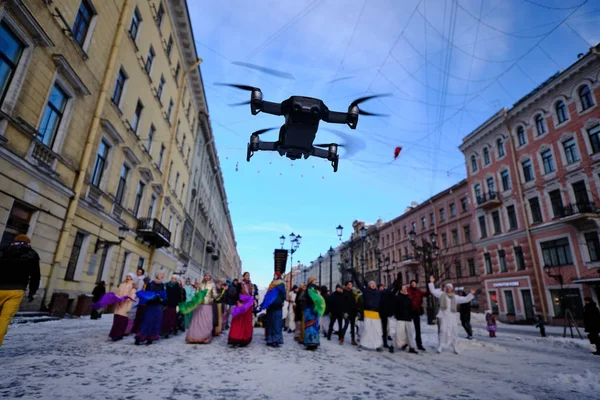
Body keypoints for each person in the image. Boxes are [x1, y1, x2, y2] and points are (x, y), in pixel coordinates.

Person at [0, 234, 40, 347]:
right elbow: (35, 276)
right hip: (17, 290)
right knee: (5, 318)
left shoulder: (3, 250)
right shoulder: (32, 254)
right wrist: (32, 292)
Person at [428, 275, 475, 354]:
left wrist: (470, 294)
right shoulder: (441, 294)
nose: (447, 288)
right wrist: (431, 282)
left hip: (452, 317)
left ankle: (454, 347)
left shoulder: (455, 297)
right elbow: (433, 291)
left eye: (449, 287)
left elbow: (465, 299)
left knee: (454, 332)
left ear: (451, 289)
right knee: (443, 331)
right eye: (446, 287)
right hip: (444, 316)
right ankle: (440, 346)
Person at [351, 270, 383, 351]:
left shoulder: (378, 292)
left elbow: (387, 292)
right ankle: (363, 343)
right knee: (367, 329)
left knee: (377, 330)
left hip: (376, 313)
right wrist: (355, 277)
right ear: (369, 285)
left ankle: (378, 345)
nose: (373, 285)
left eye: (374, 284)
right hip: (368, 312)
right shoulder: (366, 291)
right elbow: (359, 285)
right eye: (371, 284)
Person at [186, 273, 220, 344]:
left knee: (207, 321)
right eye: (206, 276)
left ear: (210, 277)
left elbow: (214, 295)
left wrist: (221, 293)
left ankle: (205, 337)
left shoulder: (212, 285)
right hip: (200, 305)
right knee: (197, 321)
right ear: (204, 276)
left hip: (208, 305)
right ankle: (195, 337)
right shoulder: (200, 284)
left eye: (208, 276)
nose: (207, 277)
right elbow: (196, 293)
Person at [135, 272, 166, 345]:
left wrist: (162, 299)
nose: (161, 275)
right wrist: (151, 296)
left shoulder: (163, 285)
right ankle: (139, 337)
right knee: (147, 321)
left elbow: (164, 295)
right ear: (157, 275)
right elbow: (146, 293)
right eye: (160, 274)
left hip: (158, 305)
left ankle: (150, 338)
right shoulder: (150, 283)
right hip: (150, 304)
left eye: (162, 274)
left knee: (155, 322)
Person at [389, 284, 418, 354]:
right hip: (400, 318)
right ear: (401, 290)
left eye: (405, 288)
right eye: (403, 288)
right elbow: (394, 307)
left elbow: (411, 308)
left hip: (408, 318)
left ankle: (411, 347)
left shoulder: (409, 299)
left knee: (410, 333)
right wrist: (396, 314)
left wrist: (411, 315)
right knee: (398, 333)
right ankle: (392, 345)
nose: (405, 289)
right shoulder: (397, 298)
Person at [228, 272, 254, 346]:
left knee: (246, 322)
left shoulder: (251, 285)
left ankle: (244, 339)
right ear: (243, 276)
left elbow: (252, 294)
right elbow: (236, 294)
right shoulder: (240, 284)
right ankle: (236, 338)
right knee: (238, 322)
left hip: (248, 306)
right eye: (246, 275)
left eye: (249, 275)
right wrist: (238, 301)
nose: (248, 277)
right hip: (241, 304)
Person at [261, 272, 286, 347]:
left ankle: (276, 340)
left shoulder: (281, 284)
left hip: (277, 305)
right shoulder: (271, 284)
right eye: (274, 275)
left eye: (275, 275)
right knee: (271, 322)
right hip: (271, 306)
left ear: (278, 276)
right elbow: (268, 293)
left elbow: (283, 294)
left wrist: (281, 301)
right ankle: (270, 339)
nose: (274, 276)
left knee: (277, 323)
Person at [304, 276, 325, 350]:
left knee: (315, 326)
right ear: (311, 281)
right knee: (310, 326)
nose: (316, 281)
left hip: (314, 310)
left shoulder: (315, 289)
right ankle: (310, 343)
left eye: (316, 279)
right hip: (310, 309)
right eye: (314, 280)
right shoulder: (310, 289)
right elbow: (313, 298)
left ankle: (314, 342)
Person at [407, 279, 428, 351]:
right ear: (410, 284)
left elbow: (426, 294)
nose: (413, 284)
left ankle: (419, 344)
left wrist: (430, 285)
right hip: (409, 311)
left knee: (417, 329)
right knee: (407, 328)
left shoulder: (418, 291)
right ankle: (405, 343)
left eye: (414, 283)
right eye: (412, 283)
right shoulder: (407, 290)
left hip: (416, 311)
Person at [340, 280, 358, 346]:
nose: (351, 285)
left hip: (353, 312)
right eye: (349, 284)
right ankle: (341, 338)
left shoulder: (352, 292)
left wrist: (356, 311)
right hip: (347, 312)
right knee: (346, 325)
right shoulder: (344, 293)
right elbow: (342, 303)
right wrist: (344, 312)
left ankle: (353, 340)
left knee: (353, 326)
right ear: (346, 285)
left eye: (351, 284)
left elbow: (354, 302)